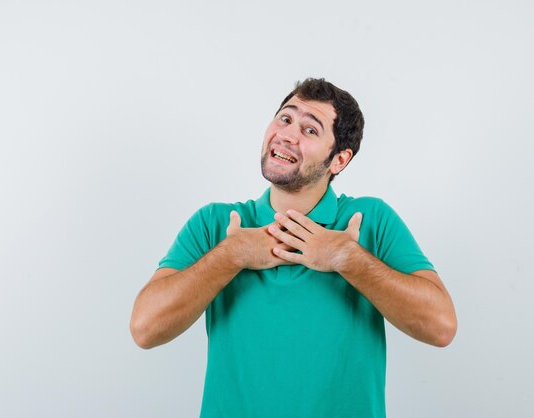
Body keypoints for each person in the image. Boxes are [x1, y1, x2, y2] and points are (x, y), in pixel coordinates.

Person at [130, 78, 457, 418]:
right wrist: (231, 256)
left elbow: (441, 327)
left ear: (339, 160)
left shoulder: (368, 221)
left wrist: (349, 259)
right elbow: (145, 328)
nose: (287, 134)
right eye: (285, 119)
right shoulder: (217, 224)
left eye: (310, 130)